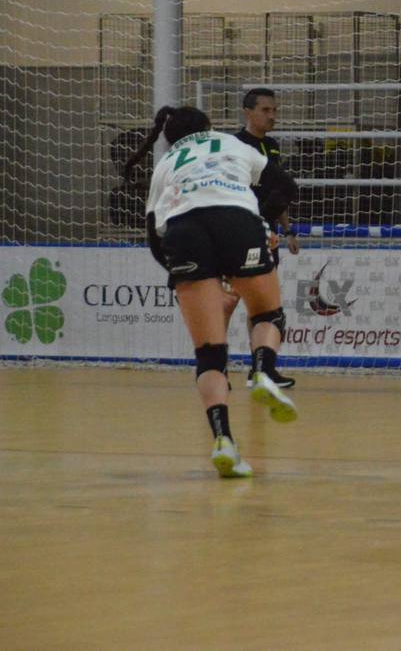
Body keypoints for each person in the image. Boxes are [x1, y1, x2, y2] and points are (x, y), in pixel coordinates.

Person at [124, 104, 300, 477]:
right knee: (268, 313)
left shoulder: (167, 163)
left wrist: (182, 273)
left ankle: (225, 443)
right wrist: (261, 222)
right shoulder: (230, 143)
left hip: (183, 232)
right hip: (235, 217)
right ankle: (263, 370)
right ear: (207, 126)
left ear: (170, 138)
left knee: (209, 353)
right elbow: (286, 186)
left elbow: (154, 236)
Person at [228, 87, 300, 390]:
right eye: (265, 110)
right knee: (228, 301)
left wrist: (288, 230)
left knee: (261, 305)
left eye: (274, 110)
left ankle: (260, 368)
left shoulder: (271, 146)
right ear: (248, 112)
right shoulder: (233, 145)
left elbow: (277, 192)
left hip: (267, 235)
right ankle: (216, 367)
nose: (272, 116)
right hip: (239, 232)